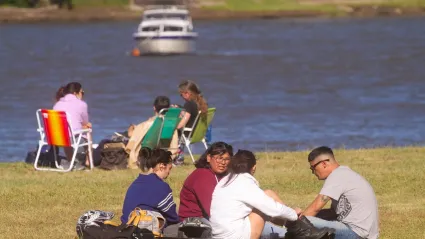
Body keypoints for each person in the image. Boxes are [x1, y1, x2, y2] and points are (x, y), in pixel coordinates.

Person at [210, 149, 302, 239]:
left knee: (267, 195)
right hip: (235, 235)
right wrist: (293, 213)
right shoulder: (244, 182)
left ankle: (292, 226)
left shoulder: (225, 181)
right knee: (265, 202)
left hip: (218, 235)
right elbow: (272, 208)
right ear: (253, 167)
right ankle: (298, 227)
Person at [301, 146, 379, 239]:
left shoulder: (337, 176)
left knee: (303, 224)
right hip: (362, 233)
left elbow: (315, 207)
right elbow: (332, 213)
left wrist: (296, 221)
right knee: (307, 220)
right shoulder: (343, 173)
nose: (313, 172)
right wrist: (304, 214)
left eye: (313, 167)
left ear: (324, 164)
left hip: (355, 233)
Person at [121, 148, 179, 231]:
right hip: (146, 230)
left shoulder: (135, 183)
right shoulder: (161, 187)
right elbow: (172, 217)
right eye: (169, 168)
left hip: (127, 228)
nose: (169, 173)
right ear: (161, 166)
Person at [178, 142, 233, 221]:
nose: (223, 162)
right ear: (209, 158)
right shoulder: (203, 175)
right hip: (194, 223)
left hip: (209, 219)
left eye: (227, 159)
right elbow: (212, 210)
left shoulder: (222, 175)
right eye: (219, 158)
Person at [125, 96, 179, 169]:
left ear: (154, 108)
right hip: (163, 147)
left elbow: (133, 137)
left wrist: (133, 128)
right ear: (167, 109)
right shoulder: (170, 124)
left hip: (148, 148)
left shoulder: (149, 124)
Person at [53, 82, 91, 169]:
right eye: (82, 92)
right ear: (75, 93)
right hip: (72, 138)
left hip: (56, 138)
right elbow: (85, 122)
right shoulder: (82, 104)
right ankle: (88, 161)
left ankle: (71, 160)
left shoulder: (57, 104)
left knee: (66, 132)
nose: (83, 94)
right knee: (88, 128)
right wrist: (85, 125)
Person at [173, 80, 208, 165]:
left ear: (187, 94)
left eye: (181, 94)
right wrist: (181, 108)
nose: (181, 96)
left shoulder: (189, 104)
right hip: (199, 133)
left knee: (175, 132)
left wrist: (174, 127)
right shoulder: (201, 103)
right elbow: (193, 114)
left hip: (189, 133)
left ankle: (178, 160)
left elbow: (184, 121)